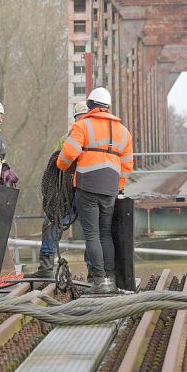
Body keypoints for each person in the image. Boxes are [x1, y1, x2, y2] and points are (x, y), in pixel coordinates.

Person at [56, 87, 133, 295]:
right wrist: (117, 185)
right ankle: (110, 280)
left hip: (88, 184)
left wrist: (61, 166)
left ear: (90, 105)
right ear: (108, 106)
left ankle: (99, 280)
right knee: (105, 233)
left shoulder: (82, 126)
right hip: (110, 187)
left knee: (92, 234)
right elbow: (127, 164)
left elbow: (69, 153)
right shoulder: (123, 131)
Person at [29, 101, 90, 279]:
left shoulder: (89, 137)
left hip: (86, 190)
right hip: (68, 191)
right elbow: (55, 164)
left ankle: (94, 272)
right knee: (51, 221)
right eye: (80, 118)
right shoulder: (67, 138)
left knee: (91, 231)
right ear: (76, 119)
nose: (82, 121)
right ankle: (46, 267)